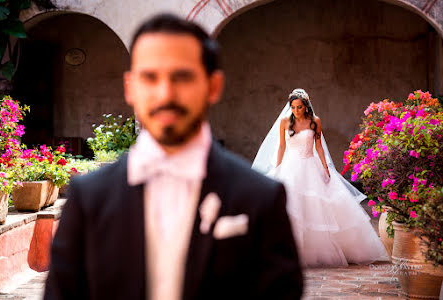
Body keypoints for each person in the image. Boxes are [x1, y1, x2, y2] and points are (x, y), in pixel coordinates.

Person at [44, 14, 303, 300]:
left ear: (213, 86)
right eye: (150, 77)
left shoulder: (261, 198)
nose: (165, 93)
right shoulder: (88, 198)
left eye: (182, 77)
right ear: (130, 88)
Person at [252, 88, 387, 267]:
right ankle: (291, 251)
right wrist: (277, 168)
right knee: (292, 207)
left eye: (299, 107)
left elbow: (319, 146)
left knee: (318, 208)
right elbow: (282, 147)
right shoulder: (285, 122)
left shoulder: (315, 121)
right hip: (291, 167)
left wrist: (325, 167)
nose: (296, 111)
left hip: (311, 165)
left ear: (306, 106)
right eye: (293, 107)